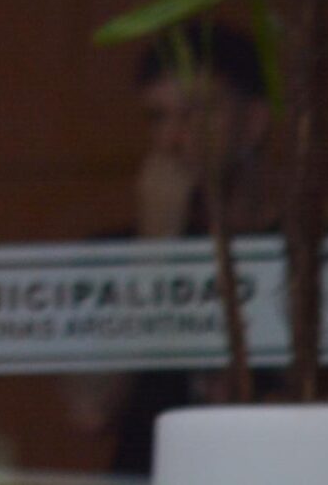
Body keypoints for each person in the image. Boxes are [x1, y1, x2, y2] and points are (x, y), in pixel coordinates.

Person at [61, 24, 277, 475]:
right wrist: (155, 251)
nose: (175, 138)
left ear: (254, 121)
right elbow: (90, 409)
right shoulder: (114, 253)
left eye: (198, 113)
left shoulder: (299, 253)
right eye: (158, 118)